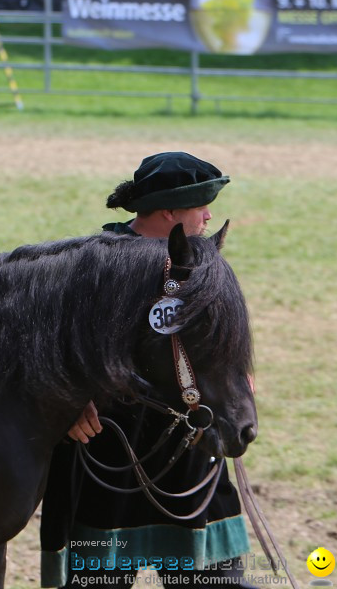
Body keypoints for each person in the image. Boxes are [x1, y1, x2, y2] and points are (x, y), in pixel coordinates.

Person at [40, 151, 252, 588]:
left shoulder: (200, 262)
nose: (210, 215)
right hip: (108, 451)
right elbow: (46, 348)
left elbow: (216, 343)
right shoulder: (93, 266)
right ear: (170, 212)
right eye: (200, 207)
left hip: (188, 446)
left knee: (215, 580)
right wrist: (68, 406)